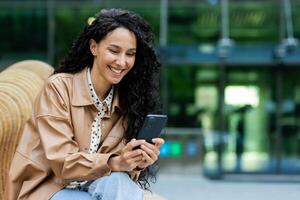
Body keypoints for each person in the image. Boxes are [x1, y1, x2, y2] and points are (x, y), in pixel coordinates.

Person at [6, 8, 164, 200]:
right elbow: (61, 162)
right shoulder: (59, 87)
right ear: (94, 47)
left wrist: (137, 161)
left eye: (130, 54)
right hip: (47, 188)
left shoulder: (129, 101)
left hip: (95, 185)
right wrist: (114, 162)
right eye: (114, 51)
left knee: (120, 182)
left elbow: (118, 169)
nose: (122, 62)